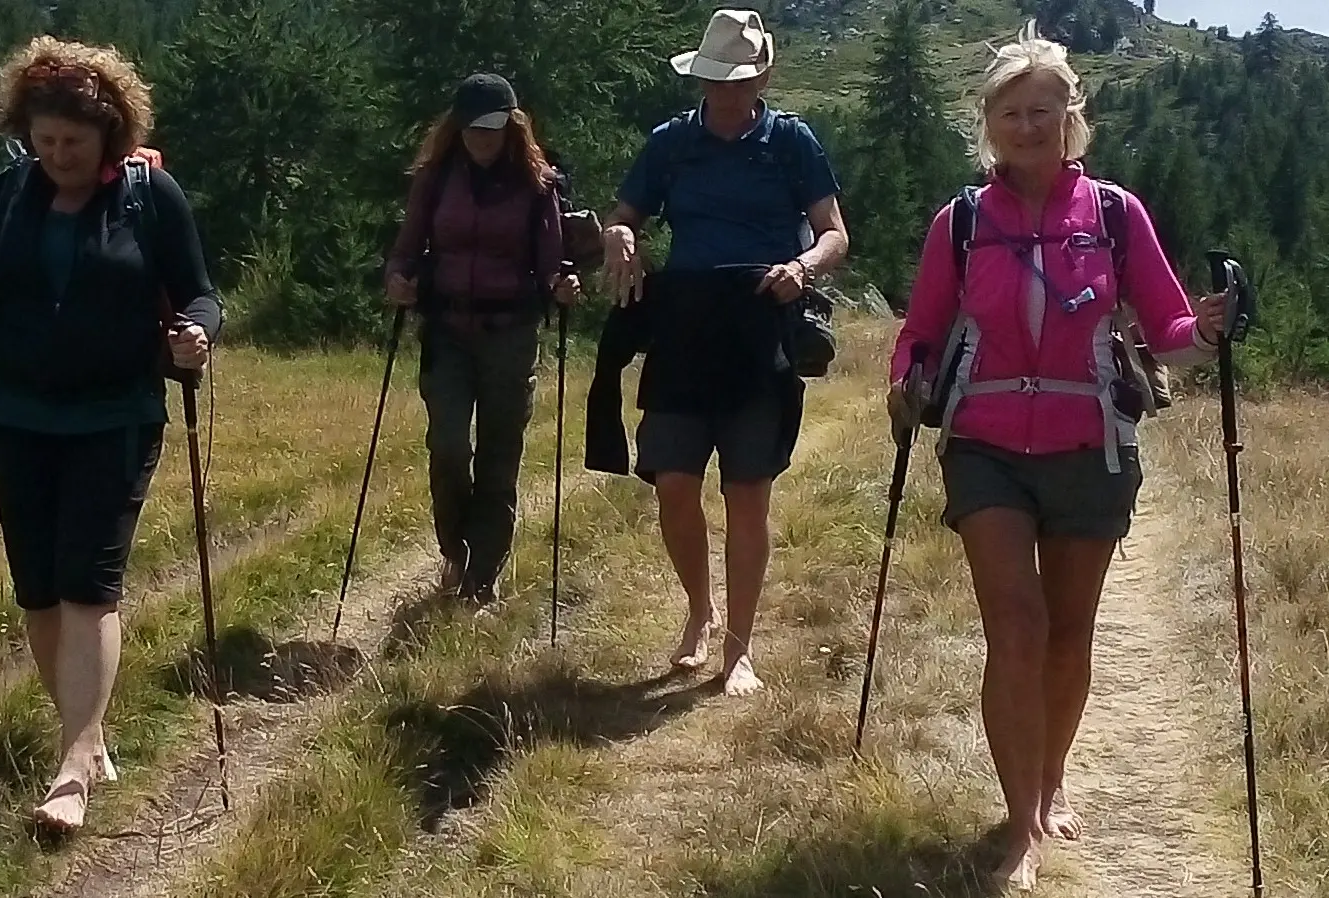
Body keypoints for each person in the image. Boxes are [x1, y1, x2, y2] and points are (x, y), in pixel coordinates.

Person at [886, 26, 1225, 891]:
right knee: (1018, 625)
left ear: (1069, 116)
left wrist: (1206, 333)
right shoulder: (959, 223)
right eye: (1011, 112)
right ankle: (1021, 825)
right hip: (985, 448)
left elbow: (1167, 323)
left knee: (1069, 632)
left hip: (1090, 445)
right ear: (988, 122)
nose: (1027, 126)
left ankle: (1051, 779)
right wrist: (904, 380)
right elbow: (920, 330)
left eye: (1042, 110)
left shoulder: (1113, 214)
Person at [0, 36, 222, 834]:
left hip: (116, 415)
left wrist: (196, 337)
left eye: (73, 140)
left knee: (87, 584)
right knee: (38, 591)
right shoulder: (2, 200)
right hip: (15, 415)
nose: (57, 154)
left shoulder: (150, 197)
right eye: (44, 138)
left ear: (111, 134)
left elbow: (201, 295)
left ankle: (74, 765)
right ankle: (85, 735)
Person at [597, 8, 849, 696]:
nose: (728, 94)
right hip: (684, 322)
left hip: (760, 321)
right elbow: (623, 217)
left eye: (739, 81)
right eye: (716, 81)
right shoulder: (670, 144)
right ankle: (698, 612)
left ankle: (738, 647)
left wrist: (803, 266)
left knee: (747, 492)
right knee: (672, 481)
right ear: (699, 79)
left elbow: (834, 234)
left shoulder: (790, 142)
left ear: (763, 75)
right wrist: (619, 237)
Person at [384, 73, 580, 609]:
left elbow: (553, 260)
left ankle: (482, 575)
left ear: (513, 127)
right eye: (472, 130)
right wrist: (398, 279)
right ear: (457, 128)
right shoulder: (436, 177)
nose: (483, 139)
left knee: (499, 455)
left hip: (510, 336)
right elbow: (406, 248)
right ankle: (455, 549)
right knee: (447, 445)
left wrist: (562, 284)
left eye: (492, 129)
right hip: (446, 330)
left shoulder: (539, 185)